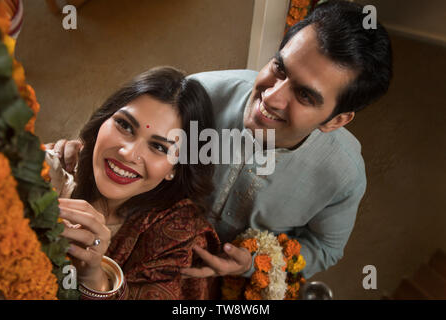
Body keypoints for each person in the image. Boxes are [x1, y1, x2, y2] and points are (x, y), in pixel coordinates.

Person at [56, 1, 393, 282]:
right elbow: (137, 136)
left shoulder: (344, 176)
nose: (272, 98)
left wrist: (250, 265)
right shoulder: (201, 93)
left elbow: (325, 248)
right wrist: (86, 152)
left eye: (304, 95)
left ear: (336, 120)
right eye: (279, 67)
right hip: (145, 238)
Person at [46, 67, 221, 299]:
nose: (128, 154)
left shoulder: (179, 237)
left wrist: (94, 278)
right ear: (103, 121)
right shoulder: (49, 174)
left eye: (159, 147)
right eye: (125, 126)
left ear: (175, 169)